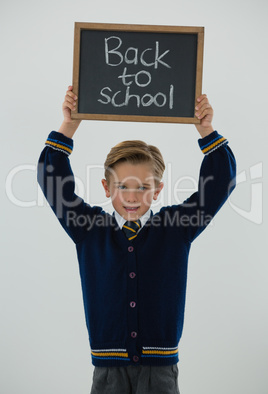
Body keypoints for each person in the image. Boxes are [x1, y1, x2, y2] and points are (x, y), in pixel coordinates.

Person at [37, 86, 236, 394]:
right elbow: (53, 185)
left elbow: (221, 183)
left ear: (157, 190)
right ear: (106, 186)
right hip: (107, 372)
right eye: (122, 186)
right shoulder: (89, 228)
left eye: (143, 187)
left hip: (160, 372)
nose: (132, 197)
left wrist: (206, 130)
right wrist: (69, 125)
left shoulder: (175, 227)